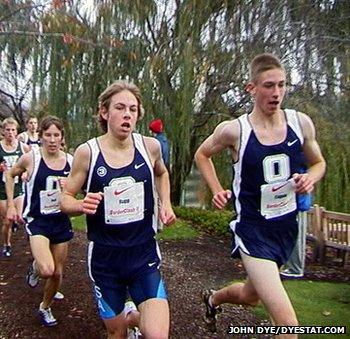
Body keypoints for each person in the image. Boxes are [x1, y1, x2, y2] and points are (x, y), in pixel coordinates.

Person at [194, 53, 326, 336]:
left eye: (282, 85)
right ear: (251, 88)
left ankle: (213, 298)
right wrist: (217, 190)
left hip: (286, 229)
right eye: (268, 85)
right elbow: (202, 154)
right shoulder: (234, 130)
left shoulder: (300, 123)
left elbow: (319, 163)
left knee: (249, 296)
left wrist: (309, 179)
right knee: (288, 327)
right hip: (252, 231)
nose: (276, 93)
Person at [60, 80, 176, 338]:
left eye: (133, 110)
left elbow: (162, 173)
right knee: (116, 332)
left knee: (157, 335)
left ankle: (136, 317)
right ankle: (129, 319)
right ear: (104, 112)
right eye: (120, 108)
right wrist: (80, 204)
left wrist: (164, 203)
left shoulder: (150, 147)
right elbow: (65, 198)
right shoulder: (87, 153)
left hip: (143, 254)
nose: (127, 115)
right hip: (105, 259)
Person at [6, 116, 74, 326]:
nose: (52, 140)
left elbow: (80, 190)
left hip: (61, 221)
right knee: (47, 269)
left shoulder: (71, 161)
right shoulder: (31, 158)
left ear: (62, 137)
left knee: (57, 272)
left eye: (56, 135)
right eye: (48, 135)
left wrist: (70, 188)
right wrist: (10, 204)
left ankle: (45, 307)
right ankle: (35, 268)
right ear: (41, 136)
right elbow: (10, 174)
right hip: (38, 221)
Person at [0, 117, 30, 257]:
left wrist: (26, 173)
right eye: (8, 130)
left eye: (13, 130)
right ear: (3, 131)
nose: (10, 133)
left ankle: (15, 224)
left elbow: (32, 161)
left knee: (17, 217)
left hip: (18, 188)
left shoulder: (22, 147)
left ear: (16, 131)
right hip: (2, 189)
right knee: (7, 220)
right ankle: (7, 244)